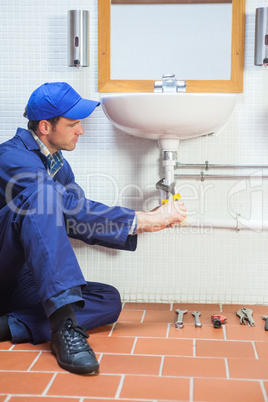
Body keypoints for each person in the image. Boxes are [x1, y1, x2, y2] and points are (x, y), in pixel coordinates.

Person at [0, 82, 187, 375]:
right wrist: (143, 219)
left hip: (22, 279)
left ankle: (9, 324)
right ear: (46, 127)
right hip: (4, 266)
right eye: (73, 124)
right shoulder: (11, 157)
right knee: (44, 196)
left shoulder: (58, 167)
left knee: (108, 300)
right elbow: (60, 204)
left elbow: (76, 218)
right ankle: (64, 331)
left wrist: (144, 224)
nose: (81, 131)